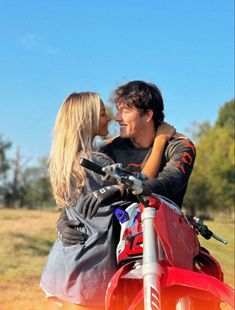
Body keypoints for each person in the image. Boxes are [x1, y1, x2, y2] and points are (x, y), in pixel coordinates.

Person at [40, 91, 176, 310]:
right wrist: (160, 141)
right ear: (88, 119)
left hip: (64, 263)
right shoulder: (95, 162)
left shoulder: (68, 162)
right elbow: (140, 183)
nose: (111, 118)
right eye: (103, 113)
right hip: (87, 269)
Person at [57, 80, 196, 246]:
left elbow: (169, 182)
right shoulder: (106, 149)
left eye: (124, 111)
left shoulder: (179, 146)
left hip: (165, 241)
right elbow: (81, 191)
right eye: (117, 110)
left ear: (147, 115)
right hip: (117, 247)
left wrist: (120, 189)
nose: (116, 118)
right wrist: (62, 222)